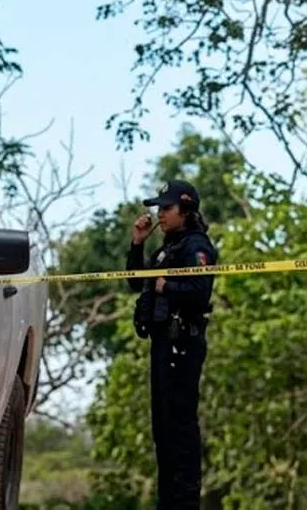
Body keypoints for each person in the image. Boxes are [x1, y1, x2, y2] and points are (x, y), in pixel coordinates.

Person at [127, 179, 217, 510]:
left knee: (180, 429)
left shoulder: (196, 246)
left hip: (183, 343)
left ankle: (185, 503)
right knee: (162, 430)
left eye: (166, 208)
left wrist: (166, 286)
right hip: (163, 343)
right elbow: (135, 285)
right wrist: (137, 244)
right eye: (158, 208)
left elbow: (199, 291)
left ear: (186, 209)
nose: (159, 214)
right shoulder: (168, 247)